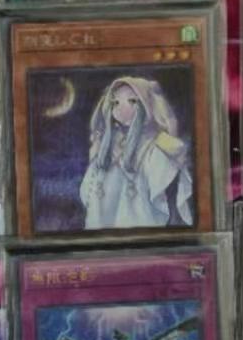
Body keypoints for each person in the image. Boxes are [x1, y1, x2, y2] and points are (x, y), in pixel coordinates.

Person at [78, 76, 192, 230]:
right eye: (115, 102)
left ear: (146, 104)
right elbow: (89, 186)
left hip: (138, 216)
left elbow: (165, 177)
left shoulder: (153, 142)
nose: (122, 109)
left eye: (132, 101)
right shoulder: (106, 142)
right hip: (104, 215)